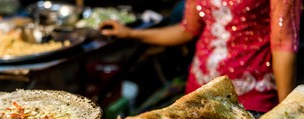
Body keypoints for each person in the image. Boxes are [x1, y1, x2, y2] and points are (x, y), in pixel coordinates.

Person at [99, 0, 302, 113]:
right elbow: (187, 30)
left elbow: (283, 44)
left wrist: (286, 112)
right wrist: (132, 33)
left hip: (249, 97)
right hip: (199, 91)